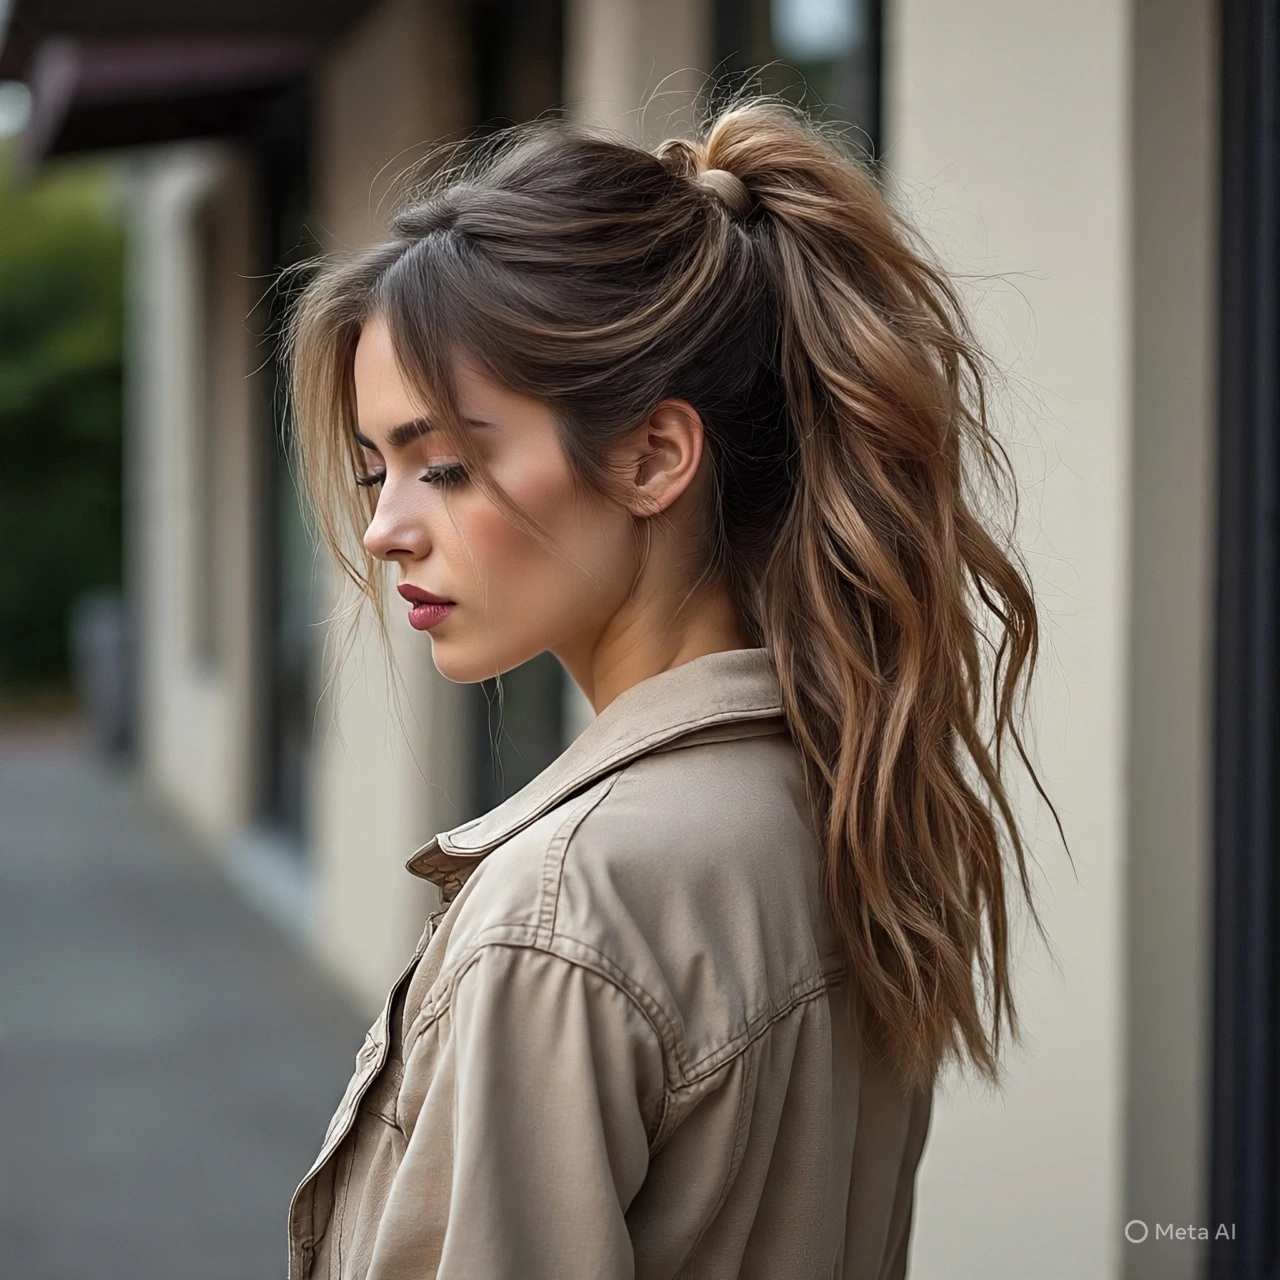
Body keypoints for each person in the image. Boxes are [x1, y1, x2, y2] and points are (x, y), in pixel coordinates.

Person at [281, 97, 1060, 1280]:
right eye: (373, 465)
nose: (386, 527)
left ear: (652, 457)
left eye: (442, 463)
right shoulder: (840, 796)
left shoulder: (561, 913)